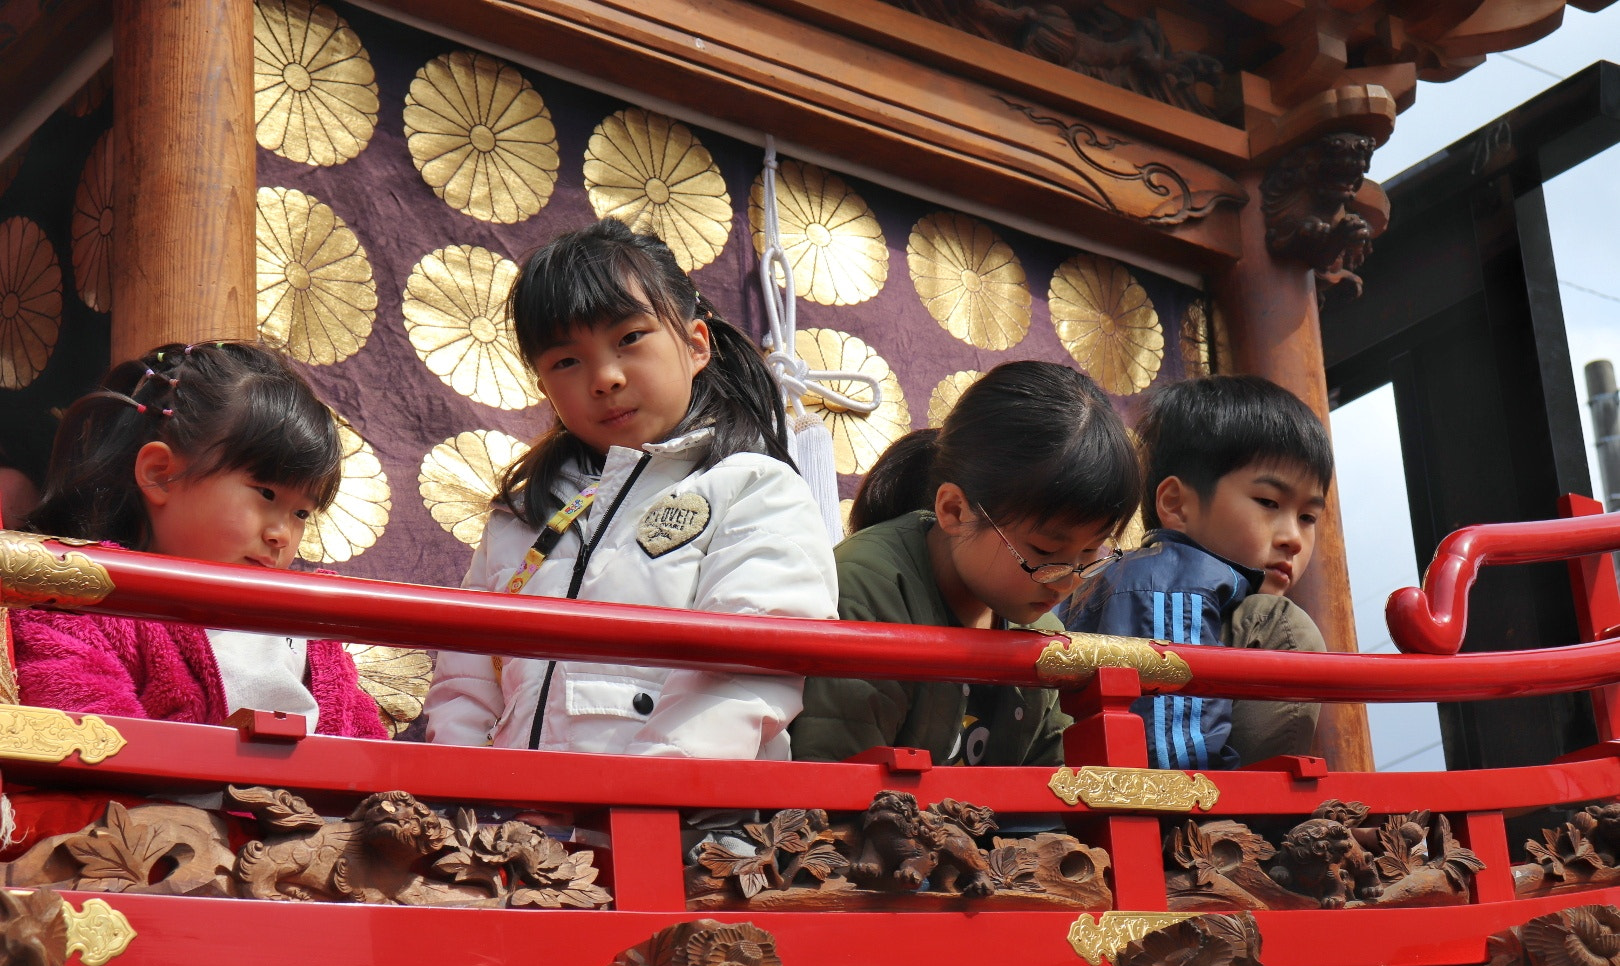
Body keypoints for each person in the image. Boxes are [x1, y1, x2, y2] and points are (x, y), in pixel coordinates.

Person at [423, 218, 837, 757]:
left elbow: (748, 674)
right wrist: (474, 797)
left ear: (695, 345)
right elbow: (466, 684)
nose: (605, 378)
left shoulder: (755, 490)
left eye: (630, 338)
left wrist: (645, 798)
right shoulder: (523, 515)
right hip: (517, 827)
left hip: (685, 827)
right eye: (566, 361)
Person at [12, 341, 387, 738]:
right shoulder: (78, 606)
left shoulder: (314, 635)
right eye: (266, 494)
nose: (281, 535)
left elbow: (371, 755)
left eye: (300, 514)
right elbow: (89, 738)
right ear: (160, 474)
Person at [791, 361, 1140, 767]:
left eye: (1091, 554)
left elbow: (1053, 792)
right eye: (1045, 553)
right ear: (954, 510)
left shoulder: (1042, 630)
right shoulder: (868, 593)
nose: (1066, 584)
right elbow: (834, 790)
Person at [1061, 374, 1332, 769]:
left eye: (1308, 517)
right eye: (1269, 502)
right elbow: (1174, 763)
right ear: (1177, 504)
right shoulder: (1169, 579)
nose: (1293, 537)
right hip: (1163, 813)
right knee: (1282, 626)